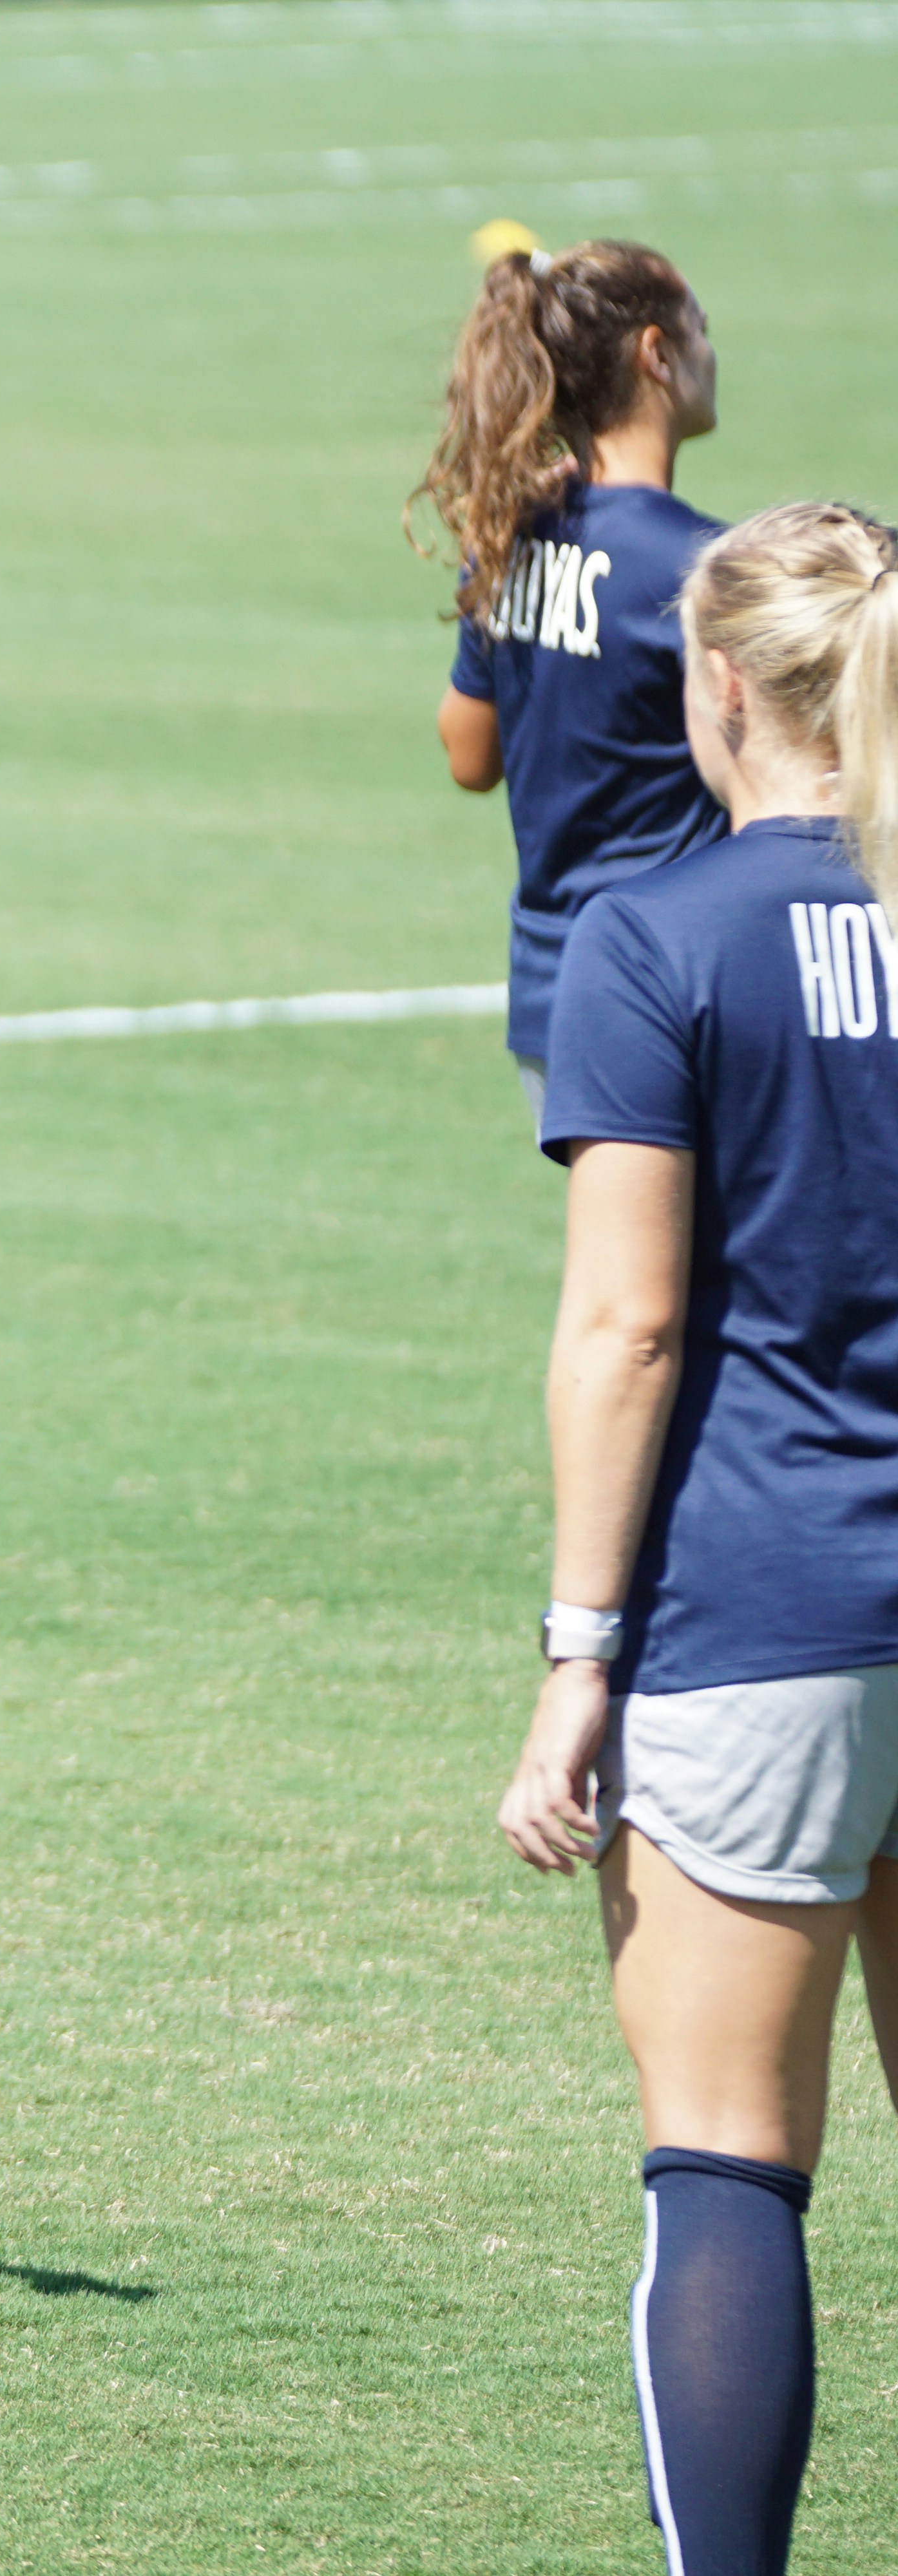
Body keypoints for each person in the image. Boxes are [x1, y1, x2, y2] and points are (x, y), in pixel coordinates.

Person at [496, 501, 898, 2576]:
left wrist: (578, 1657)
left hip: (765, 1612)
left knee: (729, 2155)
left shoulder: (656, 938)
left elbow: (628, 1328)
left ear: (720, 685)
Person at [412, 237, 728, 1126]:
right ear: (656, 353)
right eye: (703, 329)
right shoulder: (700, 569)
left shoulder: (509, 537)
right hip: (677, 995)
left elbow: (468, 755)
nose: (713, 353)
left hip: (552, 1000)